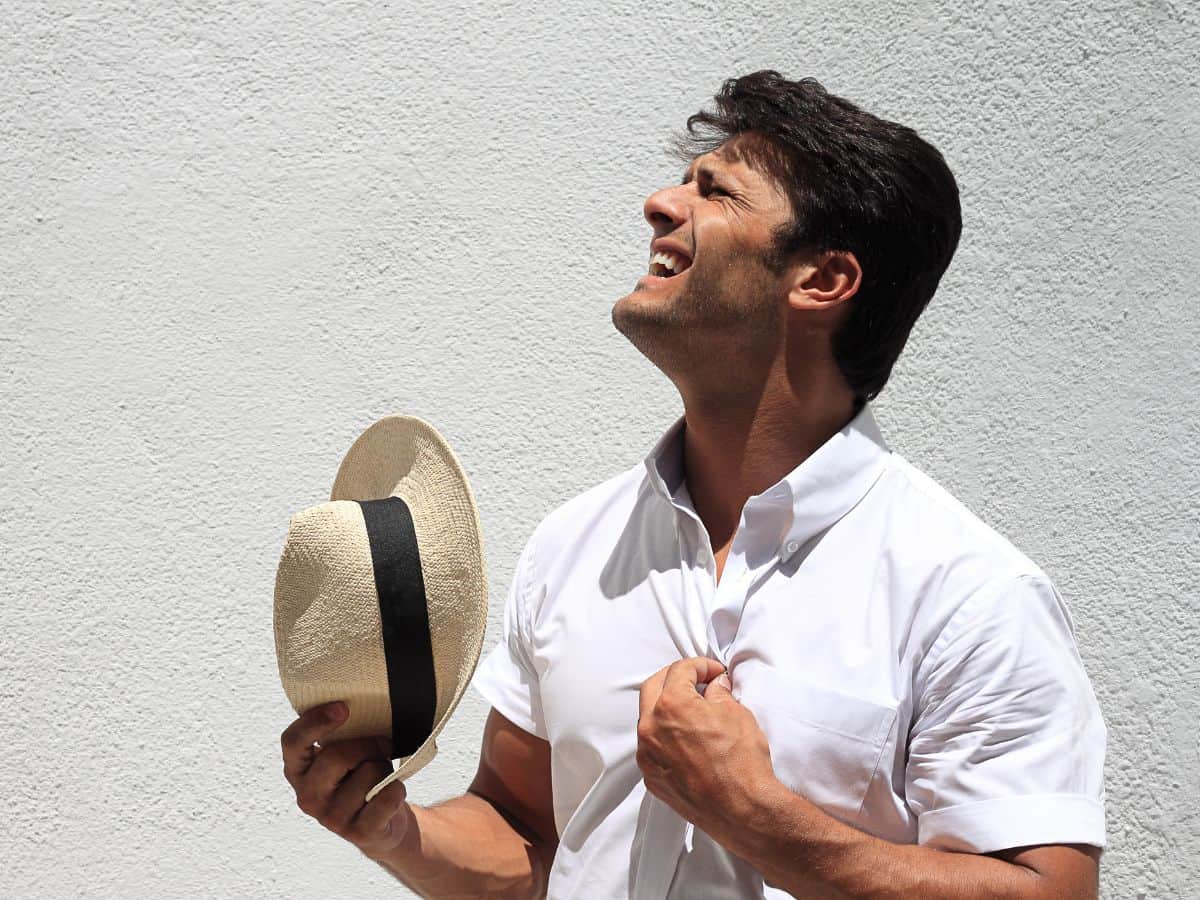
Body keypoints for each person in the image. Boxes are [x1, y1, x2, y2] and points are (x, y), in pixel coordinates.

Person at [280, 70, 1107, 898]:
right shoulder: (575, 545)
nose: (660, 204)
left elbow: (1048, 891)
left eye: (715, 191)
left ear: (822, 280)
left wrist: (754, 817)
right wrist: (396, 831)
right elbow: (525, 834)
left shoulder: (970, 596)